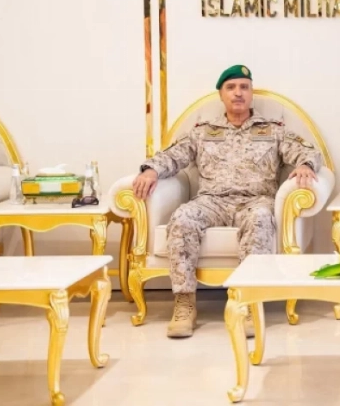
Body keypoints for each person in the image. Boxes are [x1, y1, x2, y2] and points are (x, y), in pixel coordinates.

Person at [132, 65, 322, 338]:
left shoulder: (273, 130)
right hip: (212, 201)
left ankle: (249, 303)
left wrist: (305, 164)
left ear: (251, 93)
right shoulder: (203, 132)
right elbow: (173, 155)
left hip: (255, 201)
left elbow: (307, 151)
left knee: (260, 219)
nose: (238, 93)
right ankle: (184, 304)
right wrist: (151, 170)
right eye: (231, 88)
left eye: (244, 87)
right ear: (221, 94)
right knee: (183, 217)